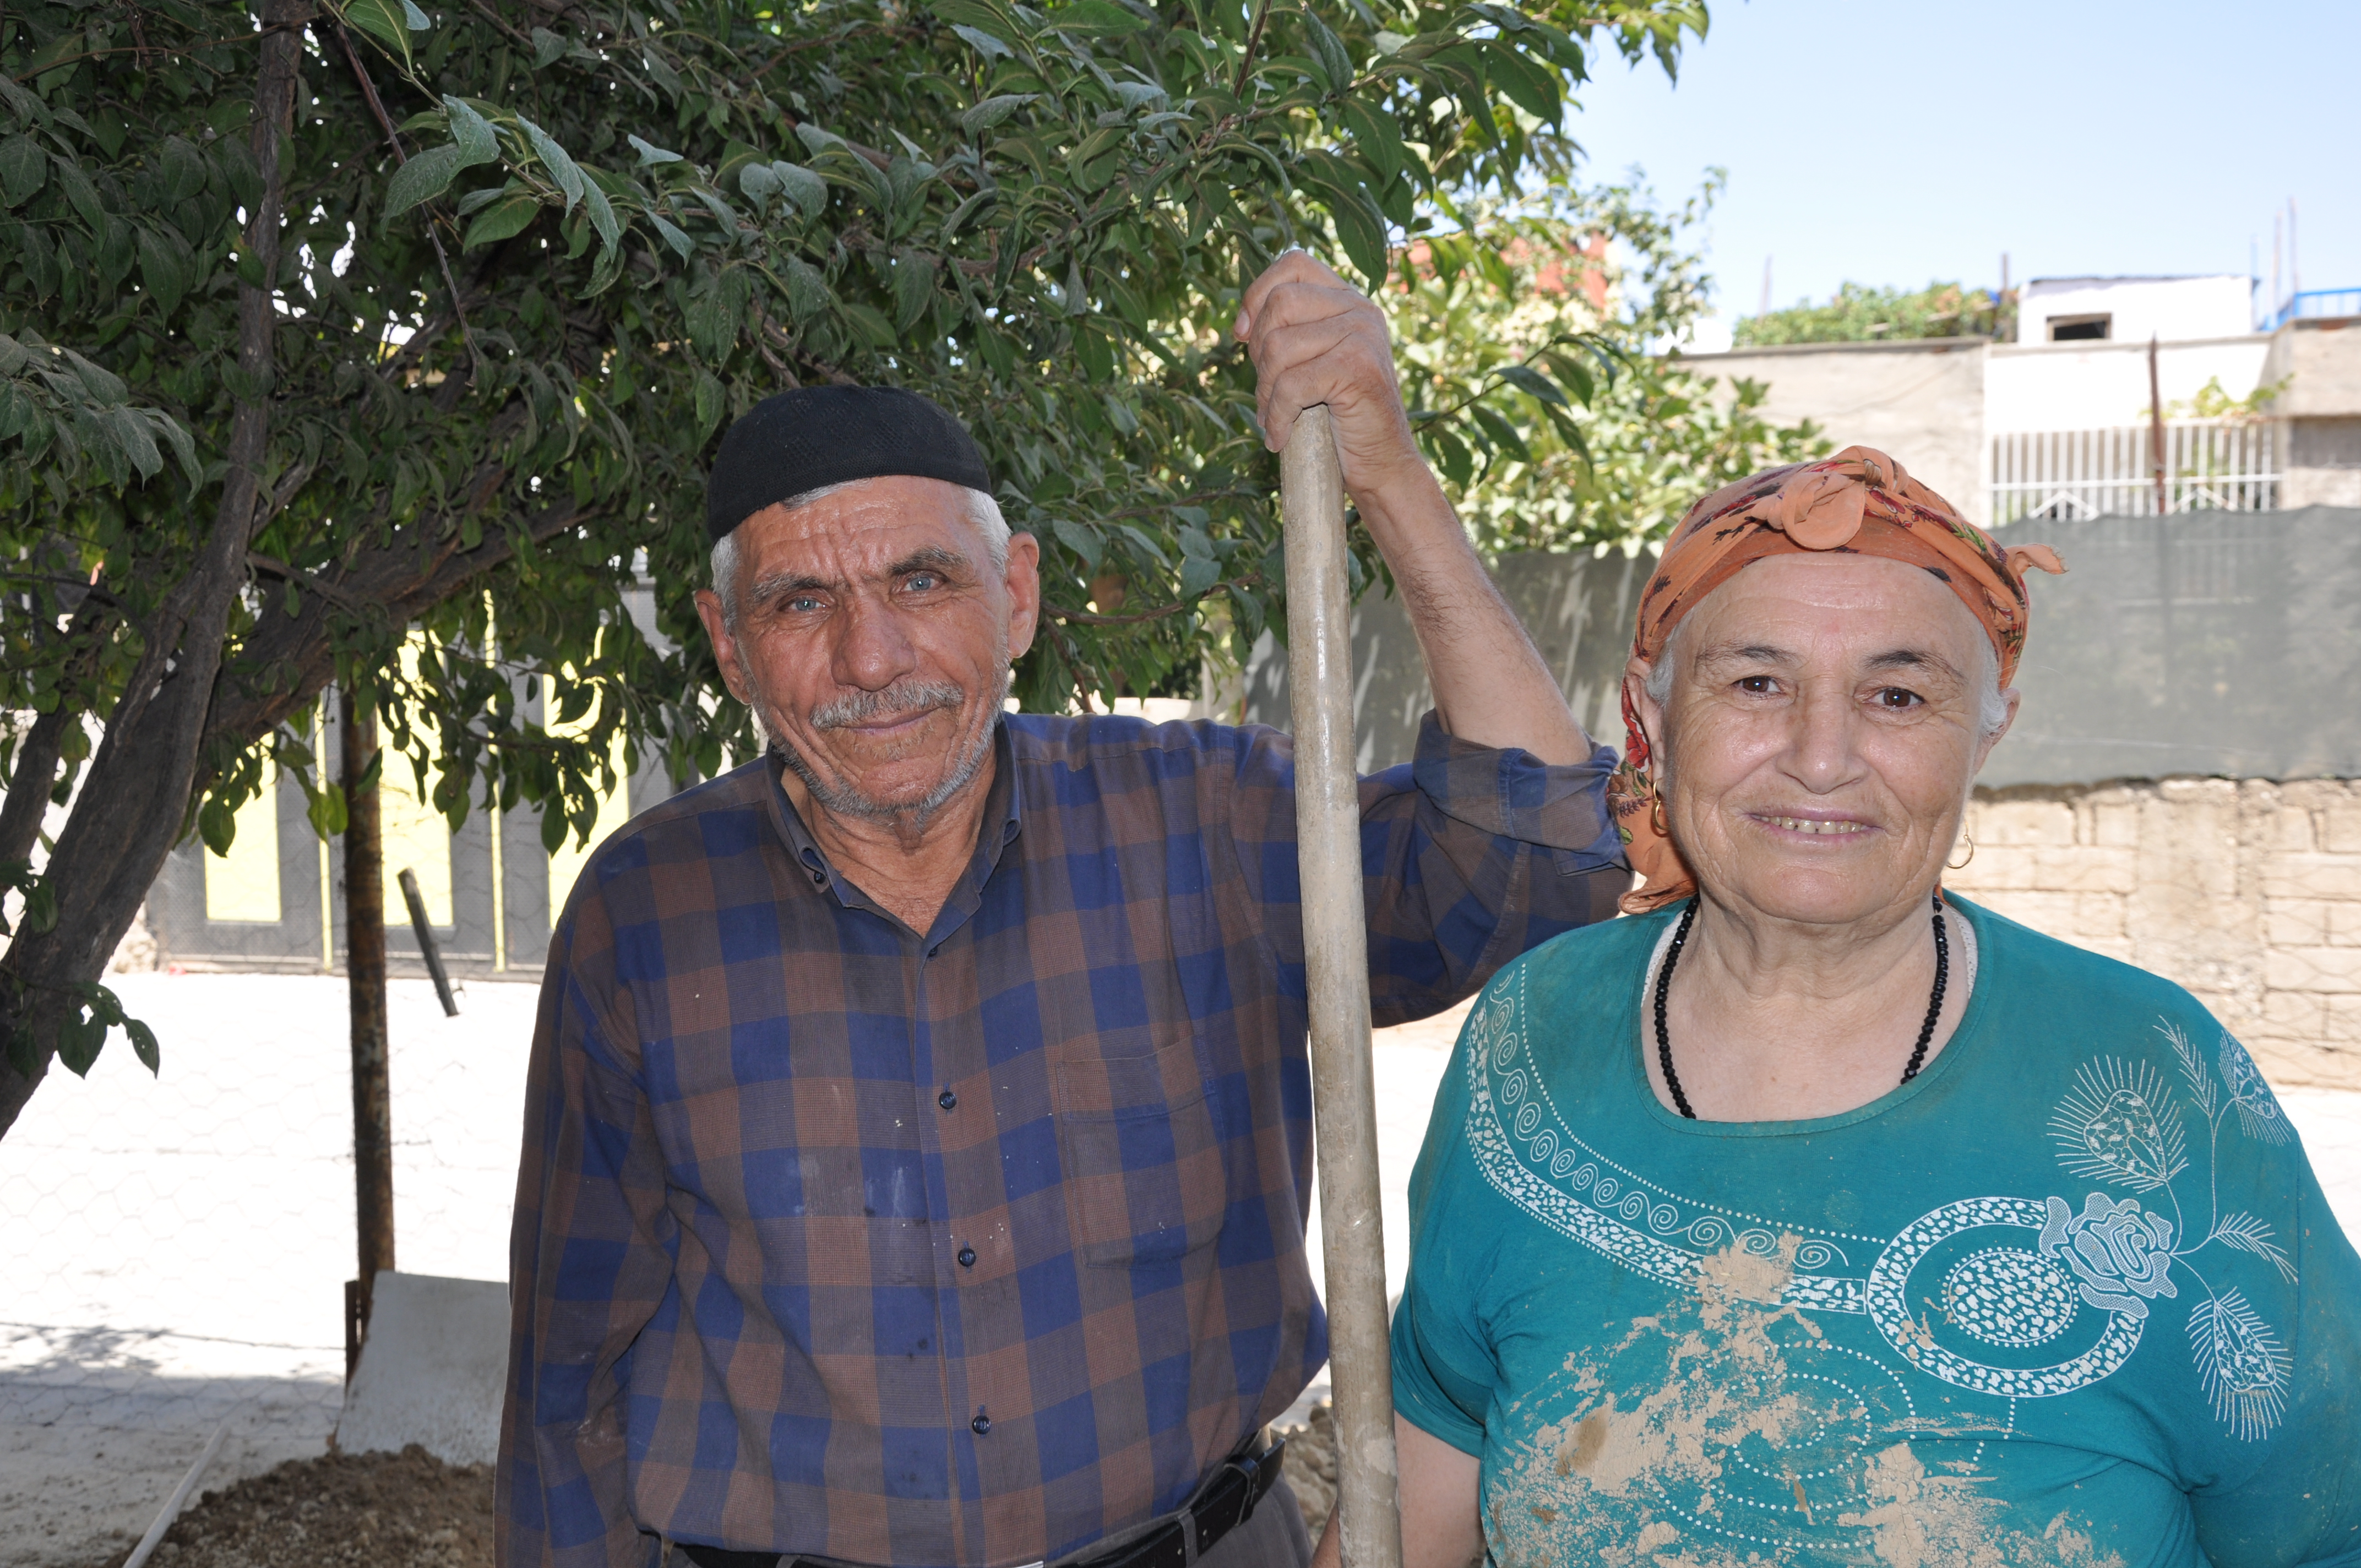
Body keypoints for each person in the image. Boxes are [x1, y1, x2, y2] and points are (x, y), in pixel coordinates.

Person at [495, 251, 1631, 1568]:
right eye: (801, 603)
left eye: (922, 583)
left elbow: (1540, 864)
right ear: (729, 641)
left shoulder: (1213, 824)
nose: (873, 660)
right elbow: (568, 1367)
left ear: (1017, 593)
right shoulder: (646, 912)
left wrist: (1385, 473)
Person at [1359, 449, 2361, 1568]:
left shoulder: (2153, 1080)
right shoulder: (1530, 1036)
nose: (1820, 756)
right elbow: (1432, 1452)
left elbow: (2328, 1520)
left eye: (1895, 694)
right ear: (1651, 709)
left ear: (1988, 727)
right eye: (1754, 682)